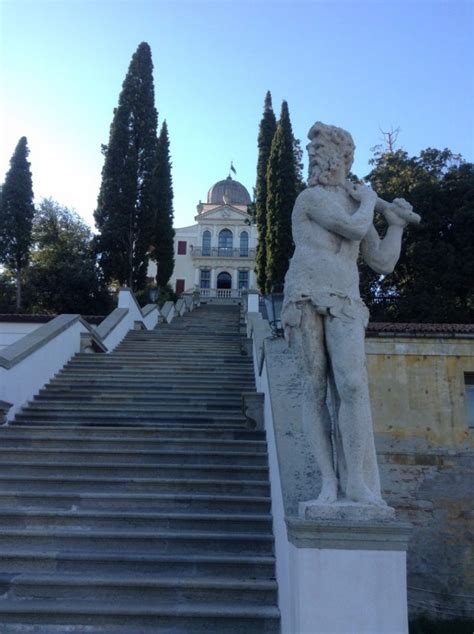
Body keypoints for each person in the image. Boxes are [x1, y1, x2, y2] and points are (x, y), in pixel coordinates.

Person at [282, 122, 419, 506]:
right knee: (314, 387)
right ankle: (328, 483)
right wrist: (371, 201)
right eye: (312, 150)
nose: (313, 155)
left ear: (342, 156)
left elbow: (382, 261)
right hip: (306, 293)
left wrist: (394, 226)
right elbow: (352, 228)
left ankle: (355, 482)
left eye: (320, 148)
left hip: (345, 296)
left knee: (353, 385)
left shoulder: (358, 200)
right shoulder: (310, 199)